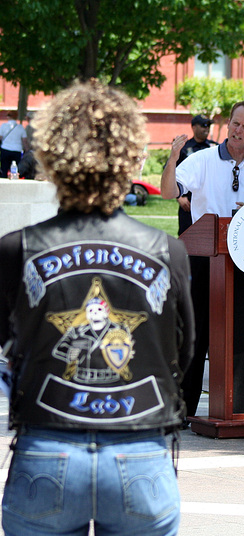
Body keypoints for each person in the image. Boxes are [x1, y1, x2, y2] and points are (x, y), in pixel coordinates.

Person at [0, 79, 195, 536]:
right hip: (141, 450)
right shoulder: (169, 250)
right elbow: (183, 354)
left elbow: (4, 353)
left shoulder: (17, 249)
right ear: (131, 159)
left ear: (51, 155)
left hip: (47, 446)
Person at [161, 100, 244, 421]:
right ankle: (181, 410)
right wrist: (172, 160)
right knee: (194, 335)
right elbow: (168, 191)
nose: (237, 130)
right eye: (234, 123)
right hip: (205, 260)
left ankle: (243, 408)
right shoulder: (202, 160)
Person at [174, 114, 215, 235]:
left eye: (208, 126)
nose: (206, 129)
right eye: (203, 125)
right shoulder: (184, 148)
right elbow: (171, 173)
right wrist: (179, 198)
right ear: (193, 127)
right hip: (188, 203)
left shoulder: (214, 148)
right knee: (188, 239)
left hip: (209, 202)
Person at [0, 110, 28, 178]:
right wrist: (27, 150)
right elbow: (24, 140)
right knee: (16, 171)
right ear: (16, 117)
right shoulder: (20, 127)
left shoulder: (3, 126)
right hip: (17, 150)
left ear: (8, 117)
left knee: (4, 169)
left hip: (5, 149)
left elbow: (0, 138)